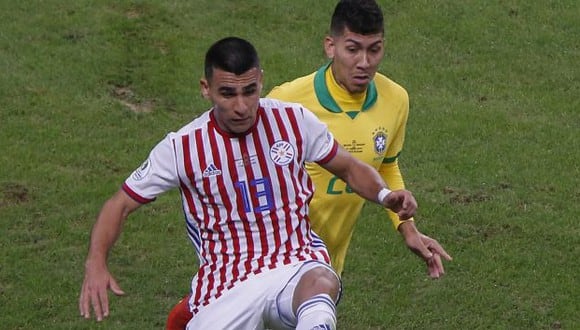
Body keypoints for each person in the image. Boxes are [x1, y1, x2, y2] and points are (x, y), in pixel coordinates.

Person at [79, 36, 419, 329]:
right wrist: (96, 262)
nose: (241, 106)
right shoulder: (182, 148)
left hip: (293, 262)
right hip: (226, 286)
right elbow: (120, 204)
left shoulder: (293, 120)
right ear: (205, 89)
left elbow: (347, 167)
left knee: (321, 282)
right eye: (227, 93)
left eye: (249, 91)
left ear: (260, 82)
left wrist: (385, 194)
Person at [166, 1, 452, 329]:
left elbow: (386, 164)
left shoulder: (395, 99)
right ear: (330, 46)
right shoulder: (288, 102)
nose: (364, 62)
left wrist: (407, 226)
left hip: (323, 263)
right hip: (269, 261)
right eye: (353, 49)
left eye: (374, 50)